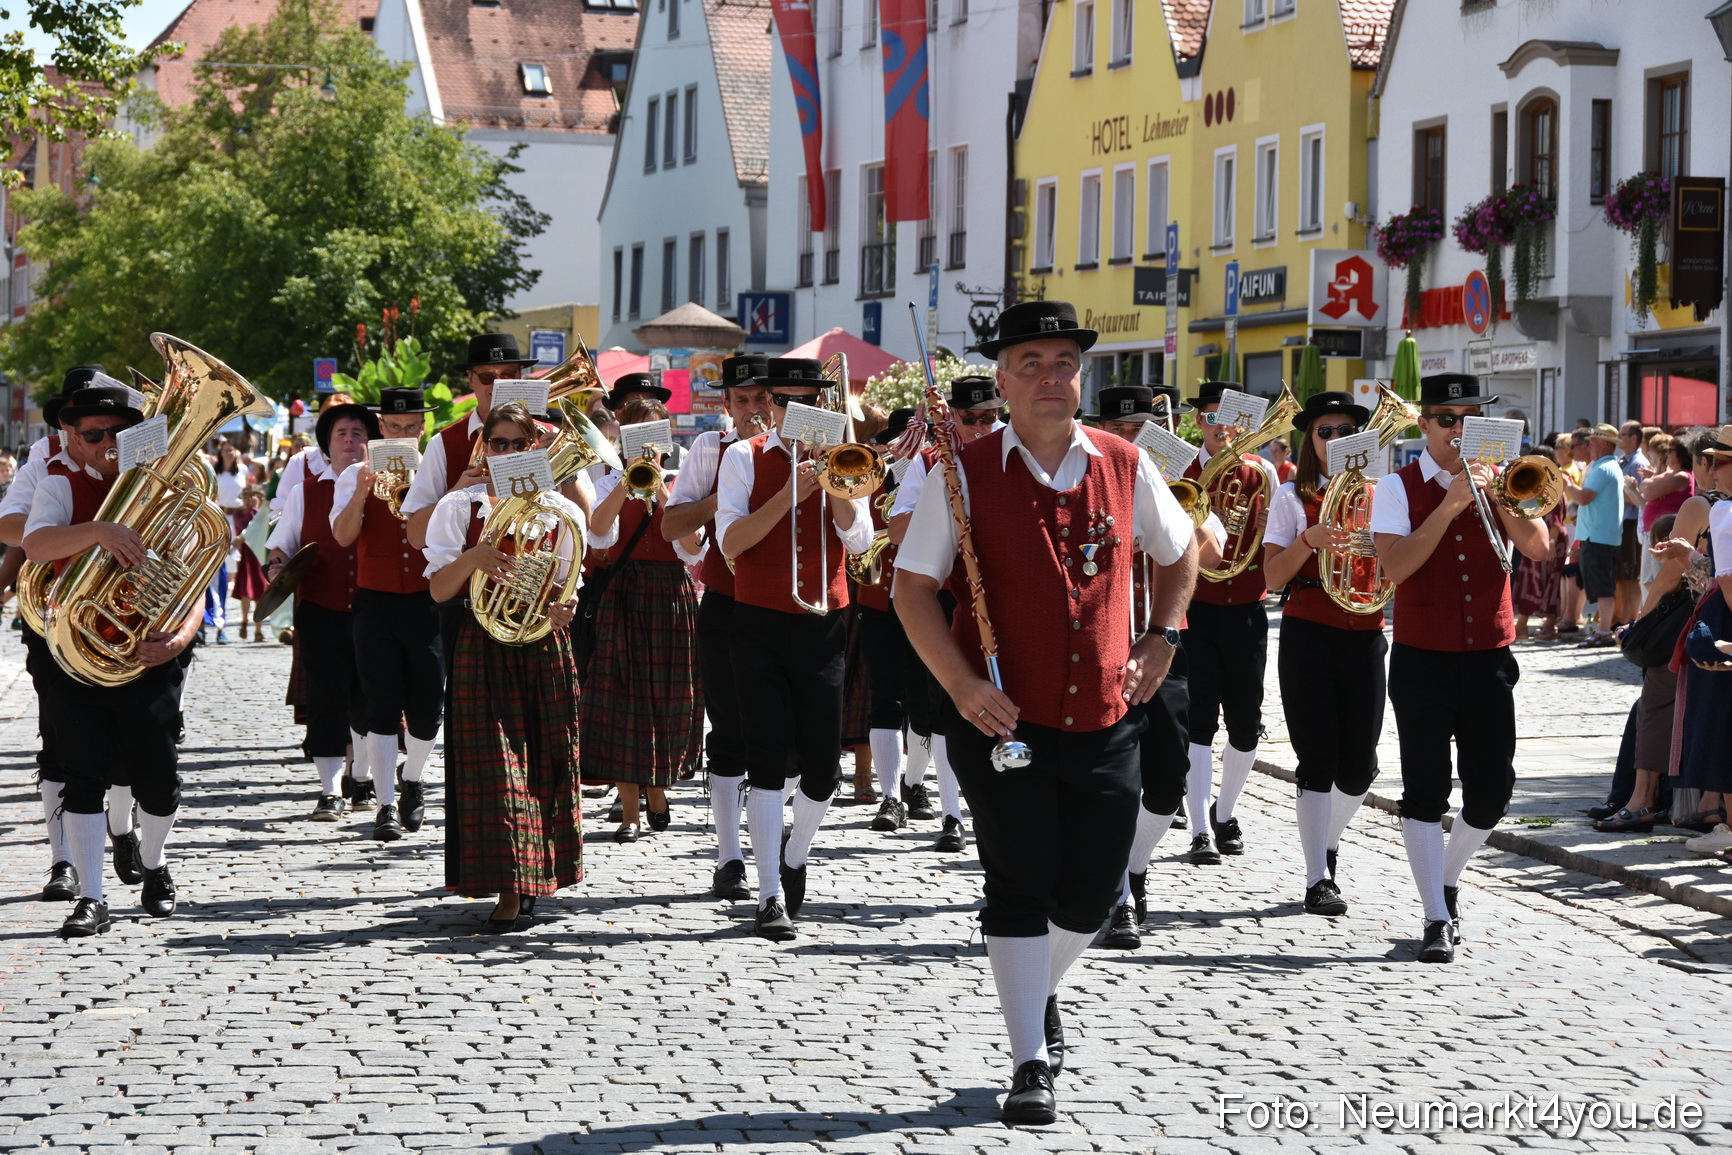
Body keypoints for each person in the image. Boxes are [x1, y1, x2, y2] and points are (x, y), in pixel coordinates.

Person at [895, 300, 1198, 1125]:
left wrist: (1164, 635)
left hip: (1106, 714)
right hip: (1001, 721)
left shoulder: (1125, 463)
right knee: (1019, 883)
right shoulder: (961, 473)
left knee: (1094, 896)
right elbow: (912, 589)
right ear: (1002, 380)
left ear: (1080, 376)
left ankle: (1035, 989)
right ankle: (1029, 1058)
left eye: (1064, 362)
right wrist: (961, 685)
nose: (1050, 378)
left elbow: (1182, 554)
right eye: (1030, 363)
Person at [1370, 373, 1551, 964]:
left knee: (1493, 793)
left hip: (1489, 657)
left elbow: (1539, 547)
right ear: (1424, 424)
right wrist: (1449, 507)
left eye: (1470, 420)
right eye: (1447, 419)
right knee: (1425, 790)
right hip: (1423, 658)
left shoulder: (1503, 479)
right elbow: (1395, 567)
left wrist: (1500, 497)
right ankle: (1435, 916)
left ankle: (1444, 879)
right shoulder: (1396, 487)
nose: (1458, 430)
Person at [24, 384, 202, 937]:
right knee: (82, 775)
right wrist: (101, 531)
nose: (106, 442)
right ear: (73, 439)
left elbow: (195, 579)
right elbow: (36, 546)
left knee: (158, 779)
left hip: (147, 655)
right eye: (93, 434)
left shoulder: (170, 489)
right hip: (77, 655)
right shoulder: (59, 483)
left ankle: (153, 860)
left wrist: (178, 640)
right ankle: (92, 897)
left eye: (117, 433)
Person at [715, 357, 872, 940]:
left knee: (824, 770)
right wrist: (788, 494)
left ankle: (794, 852)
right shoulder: (743, 456)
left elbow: (860, 539)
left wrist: (834, 485)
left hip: (823, 623)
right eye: (784, 401)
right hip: (757, 622)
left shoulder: (843, 459)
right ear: (771, 406)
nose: (794, 412)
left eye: (809, 402)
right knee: (765, 760)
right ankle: (768, 895)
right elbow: (731, 541)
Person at [424, 403, 589, 929]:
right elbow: (438, 590)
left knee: (546, 762)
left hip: (543, 644)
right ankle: (510, 888)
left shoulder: (560, 510)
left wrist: (567, 607)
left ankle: (538, 874)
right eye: (500, 443)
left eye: (521, 443)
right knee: (496, 769)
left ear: (535, 447)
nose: (510, 452)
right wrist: (473, 558)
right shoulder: (459, 505)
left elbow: (570, 585)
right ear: (484, 448)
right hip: (482, 643)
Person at [1089, 383, 1220, 950]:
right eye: (1118, 430)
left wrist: (1176, 515)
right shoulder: (1085, 477)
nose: (1129, 439)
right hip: (1101, 644)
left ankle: (1134, 867)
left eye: (1139, 429)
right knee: (1115, 782)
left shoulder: (1178, 480)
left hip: (1163, 643)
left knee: (1167, 783)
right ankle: (1118, 894)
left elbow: (1212, 556)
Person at [1260, 391, 1385, 917]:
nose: (1335, 439)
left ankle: (1326, 841)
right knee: (1317, 760)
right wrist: (1309, 539)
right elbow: (1272, 577)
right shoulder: (1291, 495)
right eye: (1324, 431)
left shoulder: (1382, 493)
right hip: (1309, 633)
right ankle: (1318, 877)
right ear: (1309, 441)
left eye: (1345, 431)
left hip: (1366, 633)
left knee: (1360, 769)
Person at [661, 354, 774, 898]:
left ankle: (775, 837)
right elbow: (671, 525)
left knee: (785, 741)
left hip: (786, 608)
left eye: (762, 398)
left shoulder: (802, 448)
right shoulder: (710, 448)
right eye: (743, 400)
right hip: (727, 604)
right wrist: (721, 495)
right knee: (729, 733)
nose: (754, 409)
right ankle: (730, 856)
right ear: (726, 404)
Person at [885, 374, 1006, 852]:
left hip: (1004, 594)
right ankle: (952, 814)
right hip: (945, 590)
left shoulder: (1018, 454)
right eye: (969, 418)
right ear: (952, 416)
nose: (979, 427)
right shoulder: (931, 459)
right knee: (940, 707)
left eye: (989, 417)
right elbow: (897, 529)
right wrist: (948, 500)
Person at [582, 397, 704, 840]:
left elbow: (693, 547)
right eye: (639, 434)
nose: (649, 446)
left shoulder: (681, 483)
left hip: (670, 596)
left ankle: (658, 788)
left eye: (656, 434)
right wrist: (627, 480)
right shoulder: (607, 480)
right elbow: (598, 532)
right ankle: (630, 813)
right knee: (623, 701)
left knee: (668, 700)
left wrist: (662, 490)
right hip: (625, 593)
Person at [332, 386, 445, 841]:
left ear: (423, 427)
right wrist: (361, 491)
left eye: (410, 427)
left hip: (426, 600)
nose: (401, 434)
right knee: (380, 706)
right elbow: (342, 537)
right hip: (375, 601)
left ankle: (412, 778)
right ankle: (384, 805)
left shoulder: (436, 471)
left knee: (427, 710)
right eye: (393, 427)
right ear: (380, 427)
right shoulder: (354, 474)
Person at [1179, 380, 1280, 864]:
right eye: (1214, 416)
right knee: (1198, 720)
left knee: (1245, 723)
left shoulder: (1263, 471)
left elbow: (1276, 535)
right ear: (1200, 421)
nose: (1224, 427)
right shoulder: (1181, 470)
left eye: (1233, 417)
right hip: (1194, 607)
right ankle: (1200, 827)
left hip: (1247, 609)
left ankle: (1225, 812)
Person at [266, 401, 380, 819]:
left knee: (369, 699)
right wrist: (277, 565)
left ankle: (362, 777)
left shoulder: (389, 489)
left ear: (371, 443)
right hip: (320, 608)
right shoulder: (305, 491)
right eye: (341, 434)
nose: (349, 440)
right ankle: (330, 790)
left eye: (358, 433)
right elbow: (281, 546)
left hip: (375, 608)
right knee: (326, 699)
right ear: (327, 446)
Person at [402, 333, 538, 551]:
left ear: (520, 375)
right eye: (486, 377)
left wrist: (567, 473)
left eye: (507, 374)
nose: (497, 385)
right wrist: (454, 493)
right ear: (470, 379)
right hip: (467, 572)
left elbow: (586, 527)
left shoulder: (550, 435)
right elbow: (416, 537)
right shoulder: (442, 444)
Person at [1562, 424, 1625, 648]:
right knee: (1600, 587)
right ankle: (1602, 630)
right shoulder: (1604, 466)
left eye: (1593, 441)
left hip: (1599, 537)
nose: (1589, 445)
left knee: (1603, 588)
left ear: (1604, 443)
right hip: (1597, 536)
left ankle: (1604, 632)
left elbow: (1584, 498)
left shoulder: (1603, 467)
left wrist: (1567, 485)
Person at [1511, 446, 1566, 641]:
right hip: (1535, 537)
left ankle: (1549, 626)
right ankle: (1522, 625)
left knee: (1550, 582)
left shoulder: (1554, 485)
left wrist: (1551, 543)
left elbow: (1557, 520)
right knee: (1529, 581)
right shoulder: (1535, 483)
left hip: (1552, 539)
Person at [1616, 420, 1649, 626]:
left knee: (1632, 575)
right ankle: (1624, 618)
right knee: (1624, 575)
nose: (1619, 439)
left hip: (1632, 523)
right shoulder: (1623, 460)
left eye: (1622, 435)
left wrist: (1615, 493)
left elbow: (1641, 498)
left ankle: (1631, 618)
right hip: (1623, 523)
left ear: (1634, 438)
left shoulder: (1639, 463)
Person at [229, 485, 269, 642]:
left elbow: (262, 526)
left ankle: (258, 630)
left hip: (259, 555)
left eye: (251, 496)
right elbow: (245, 526)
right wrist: (254, 511)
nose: (248, 500)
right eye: (245, 497)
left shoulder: (261, 514)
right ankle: (245, 620)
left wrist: (257, 510)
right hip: (246, 555)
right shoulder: (239, 515)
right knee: (246, 590)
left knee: (261, 593)